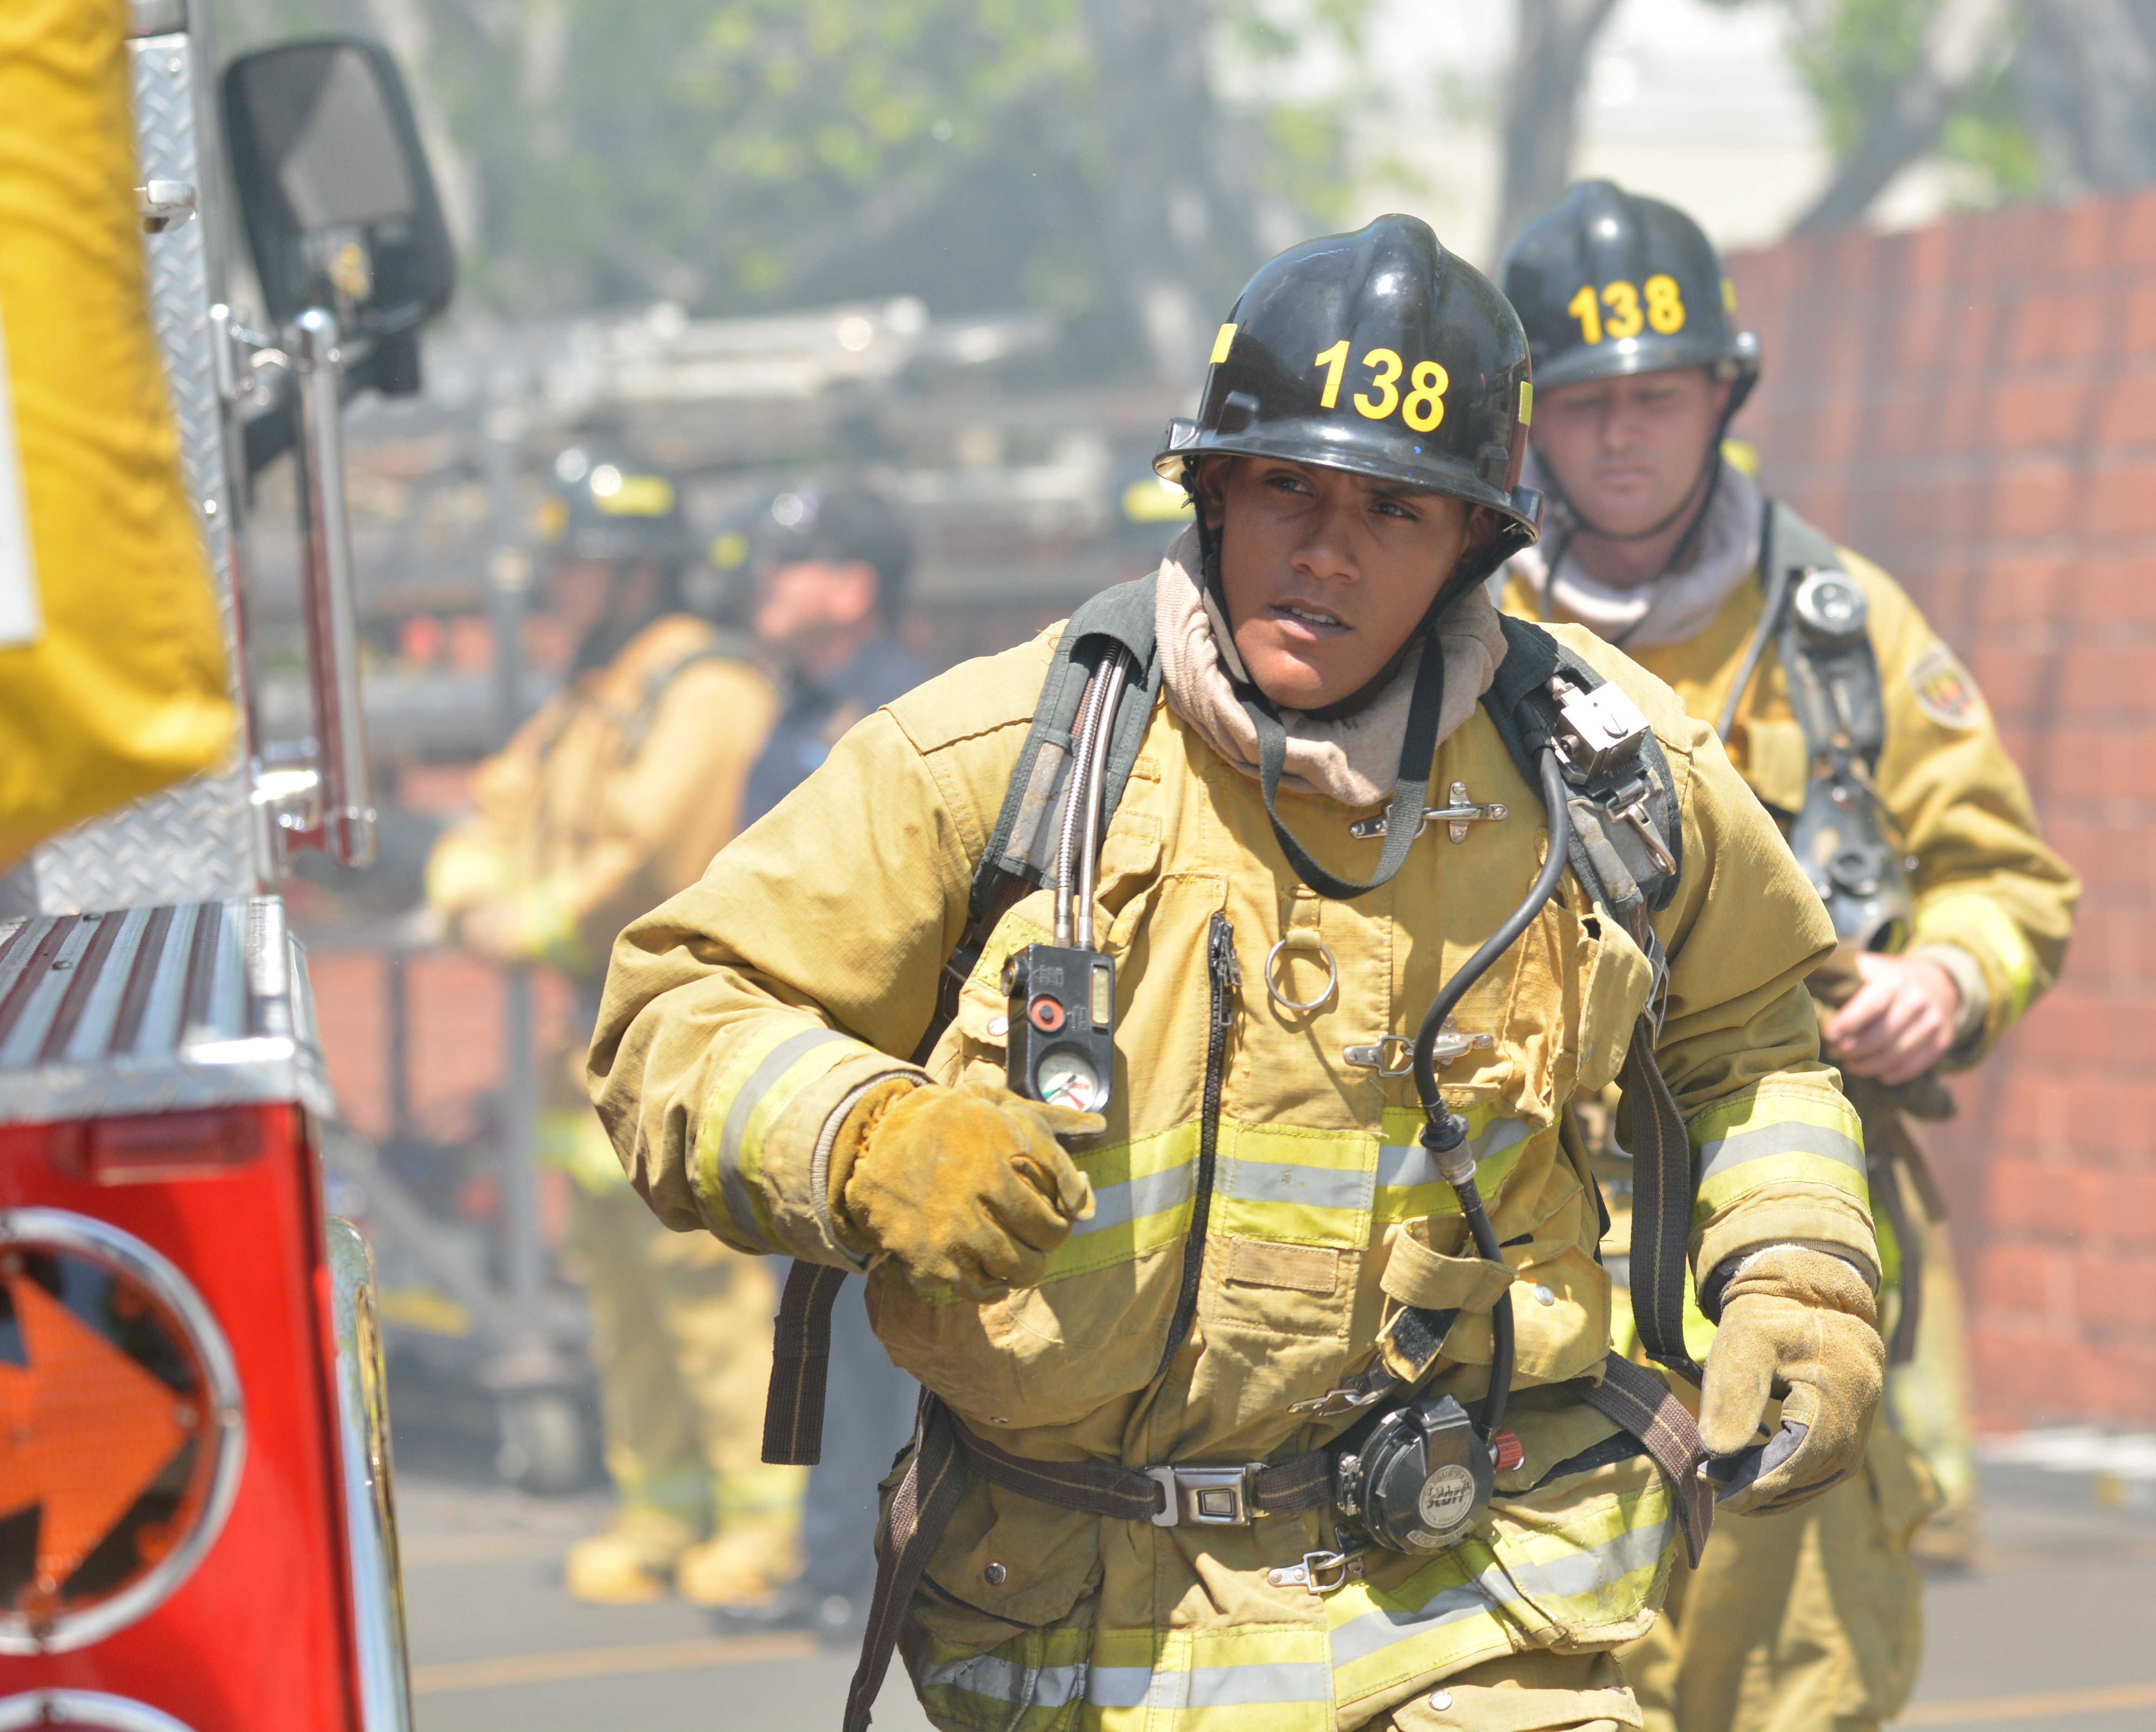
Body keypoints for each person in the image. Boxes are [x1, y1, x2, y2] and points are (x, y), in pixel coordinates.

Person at [590, 215, 1887, 1732]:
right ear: (1207, 492)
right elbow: (677, 1012)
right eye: (1284, 489)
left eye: (1391, 513)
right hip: (1080, 1624)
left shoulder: (1598, 772)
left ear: (1472, 541)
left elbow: (1748, 1043)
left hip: (1472, 1593)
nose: (1325, 553)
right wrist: (865, 1134)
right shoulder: (1005, 760)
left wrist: (1798, 1276)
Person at [1498, 181, 2078, 1732]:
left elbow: (2006, 882)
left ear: (1719, 396)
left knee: (1790, 1684)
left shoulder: (1839, 630)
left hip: (1798, 1235)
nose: (1619, 435)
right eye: (1579, 403)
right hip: (1523, 1260)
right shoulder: (1458, 632)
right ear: (1526, 424)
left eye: (1656, 395)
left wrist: (1945, 977)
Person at [426, 443, 803, 1609]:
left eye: (583, 565)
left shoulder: (705, 691)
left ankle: (766, 1525)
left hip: (684, 1029)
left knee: (708, 1302)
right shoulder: (599, 695)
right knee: (627, 1302)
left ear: (641, 570)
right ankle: (664, 1511)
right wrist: (466, 883)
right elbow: (499, 806)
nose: (561, 588)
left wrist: (524, 919)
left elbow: (637, 857)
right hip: (599, 1046)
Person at [717, 483, 934, 1639]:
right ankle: (826, 1570)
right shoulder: (803, 706)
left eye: (788, 565)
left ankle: (885, 1574)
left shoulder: (899, 715)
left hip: (881, 1085)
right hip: (801, 1076)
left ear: (852, 585)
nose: (765, 586)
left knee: (885, 1356)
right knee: (815, 1338)